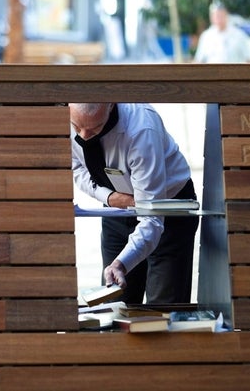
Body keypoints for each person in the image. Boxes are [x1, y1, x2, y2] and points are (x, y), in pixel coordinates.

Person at [70, 103, 199, 304]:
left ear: (110, 106)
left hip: (168, 209)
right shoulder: (66, 117)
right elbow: (77, 168)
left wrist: (121, 263)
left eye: (95, 128)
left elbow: (152, 219)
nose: (84, 136)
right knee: (116, 304)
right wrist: (110, 197)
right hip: (116, 209)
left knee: (164, 308)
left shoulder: (142, 130)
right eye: (77, 127)